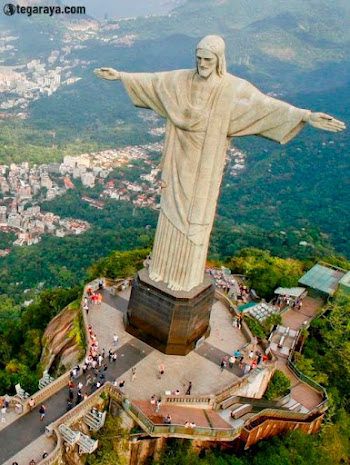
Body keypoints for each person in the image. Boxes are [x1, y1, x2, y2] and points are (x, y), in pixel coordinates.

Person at [95, 36, 344, 292]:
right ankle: (160, 269)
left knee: (196, 217)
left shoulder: (233, 88)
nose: (202, 64)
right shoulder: (181, 79)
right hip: (179, 156)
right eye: (199, 58)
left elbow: (266, 106)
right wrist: (121, 76)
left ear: (219, 60)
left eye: (208, 60)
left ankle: (184, 278)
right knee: (170, 209)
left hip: (206, 165)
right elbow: (154, 81)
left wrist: (306, 116)